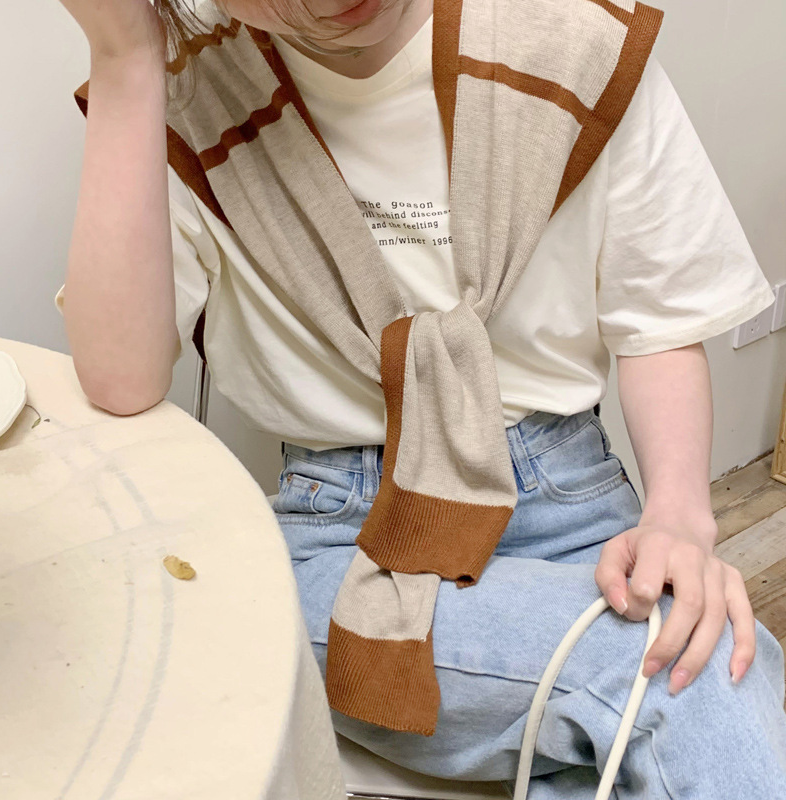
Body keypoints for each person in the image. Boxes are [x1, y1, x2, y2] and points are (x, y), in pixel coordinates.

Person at [52, 0, 786, 795]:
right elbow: (121, 379)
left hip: (576, 512)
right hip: (337, 543)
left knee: (682, 683)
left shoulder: (574, 42)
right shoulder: (191, 93)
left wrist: (678, 515)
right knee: (692, 674)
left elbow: (658, 319)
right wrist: (124, 58)